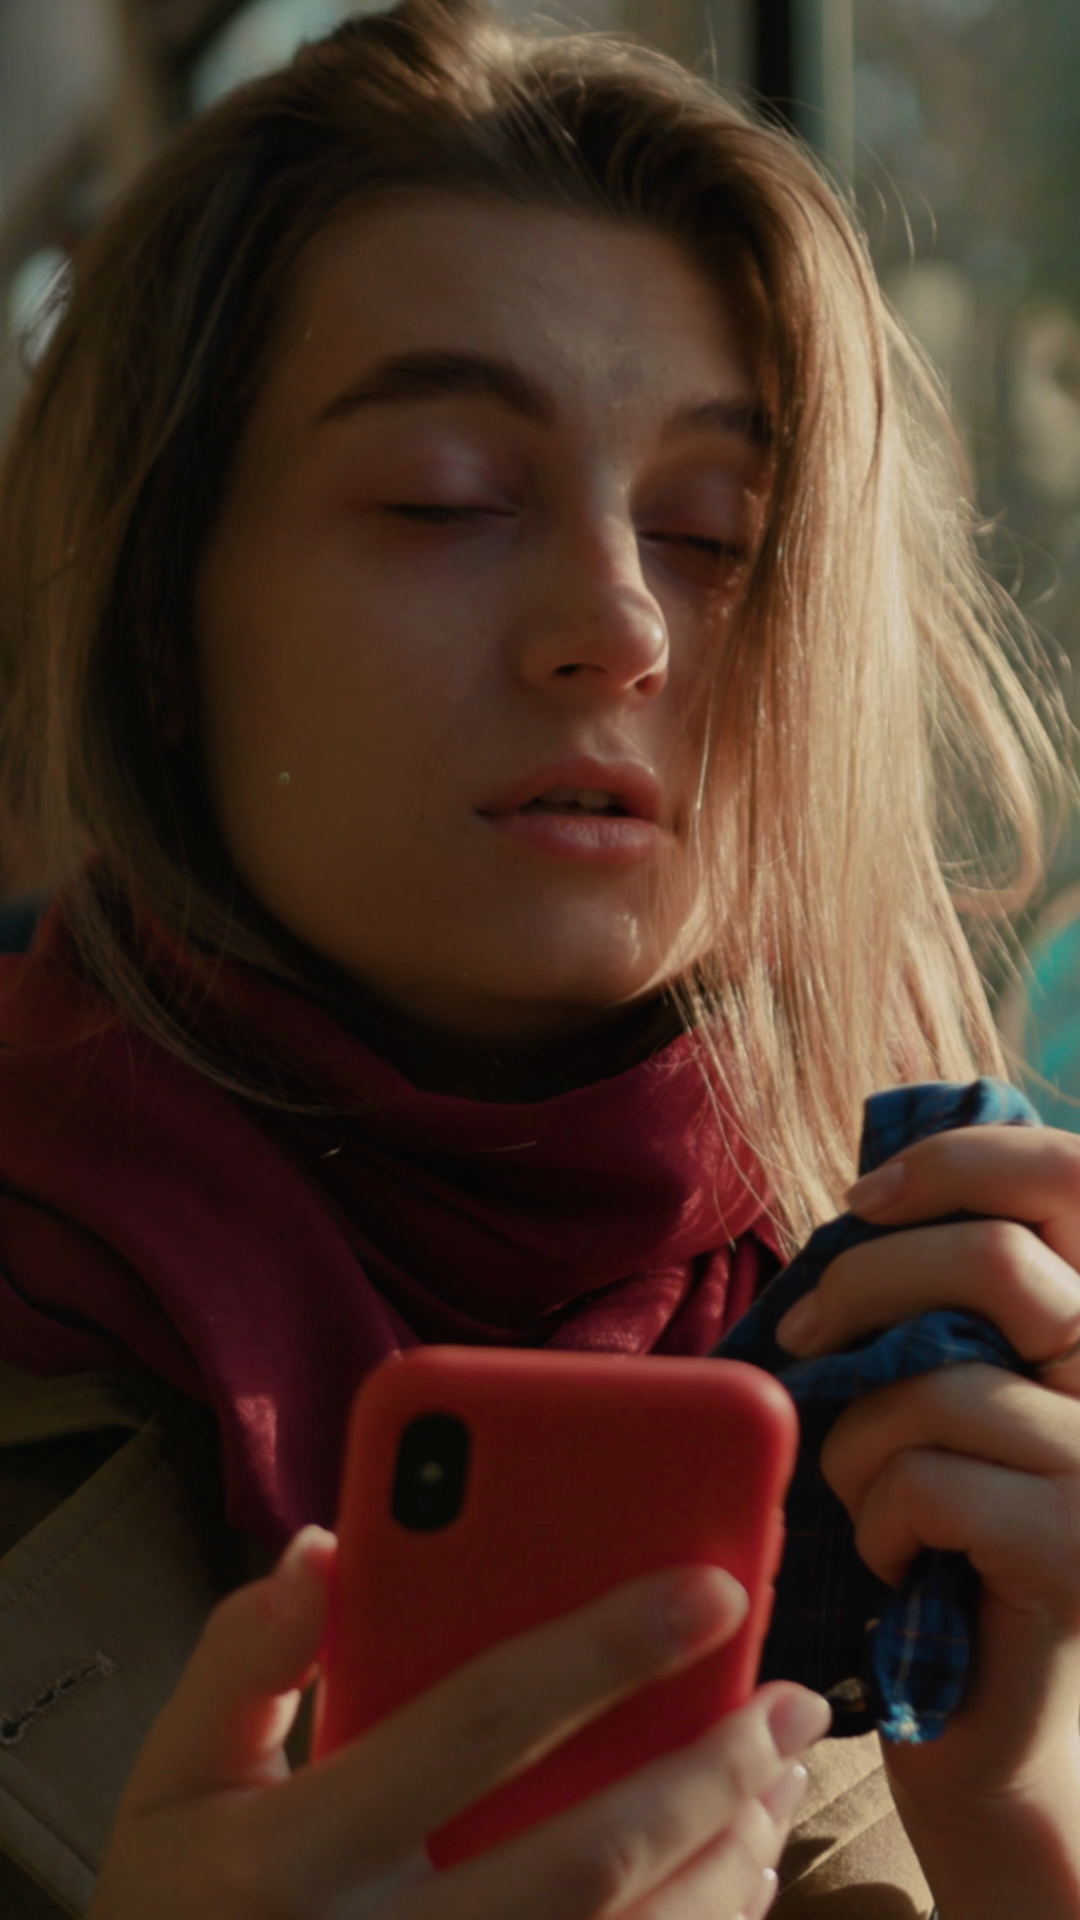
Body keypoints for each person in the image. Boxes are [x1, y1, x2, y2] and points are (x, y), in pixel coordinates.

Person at [1, 2, 1079, 1914]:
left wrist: (1028, 1830)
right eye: (445, 498)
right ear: (163, 620)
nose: (617, 623)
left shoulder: (973, 1373)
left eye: (718, 534)